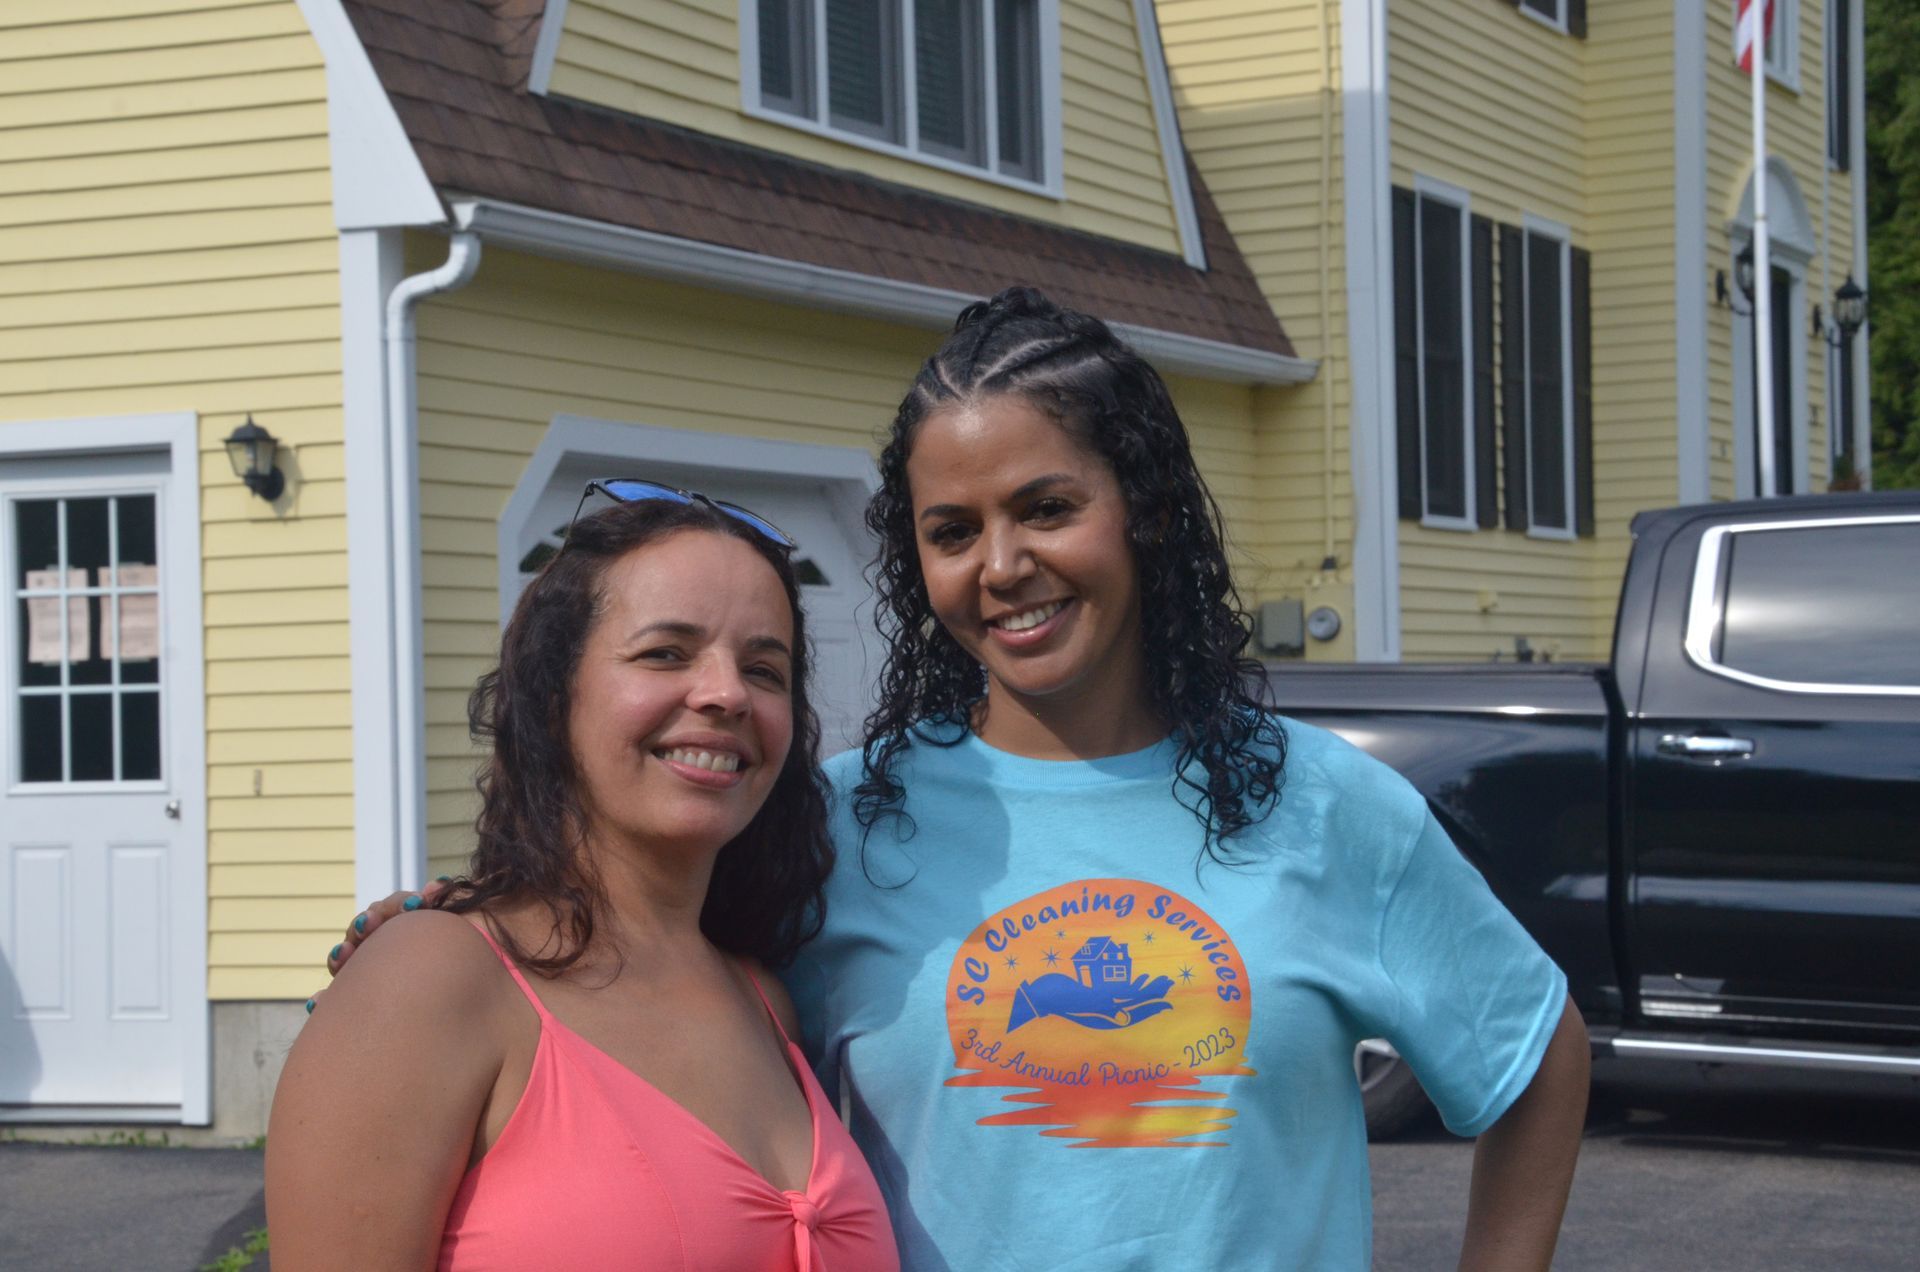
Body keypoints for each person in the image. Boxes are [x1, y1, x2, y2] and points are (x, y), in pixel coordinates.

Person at [332, 288, 1589, 1270]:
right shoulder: (833, 818)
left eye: (1048, 507)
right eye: (951, 531)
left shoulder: (1319, 803)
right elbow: (633, 956)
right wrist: (462, 927)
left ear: (1141, 510)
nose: (1003, 565)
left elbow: (1533, 1053)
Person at [267, 492, 898, 1270]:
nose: (727, 693)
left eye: (764, 669)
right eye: (666, 652)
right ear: (553, 693)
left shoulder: (764, 1000)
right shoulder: (434, 979)